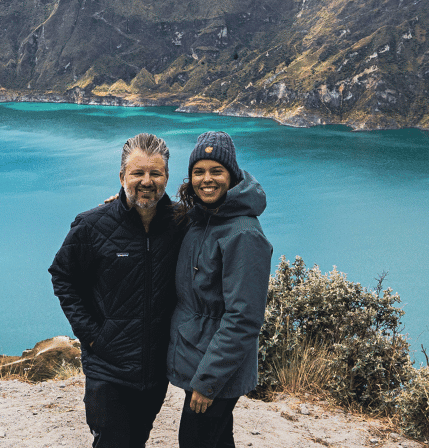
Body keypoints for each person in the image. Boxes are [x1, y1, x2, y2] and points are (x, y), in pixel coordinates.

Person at [49, 133, 185, 448]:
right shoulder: (92, 225)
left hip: (155, 369)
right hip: (107, 367)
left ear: (166, 177)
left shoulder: (182, 223)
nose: (147, 181)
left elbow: (222, 211)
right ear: (122, 176)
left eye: (155, 173)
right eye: (138, 173)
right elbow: (63, 276)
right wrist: (92, 335)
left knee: (136, 440)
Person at [169, 131, 272, 448]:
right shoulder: (205, 217)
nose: (206, 179)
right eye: (198, 171)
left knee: (194, 441)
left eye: (217, 171)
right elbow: (166, 215)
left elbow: (243, 318)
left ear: (232, 175)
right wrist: (124, 204)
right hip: (199, 355)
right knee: (217, 439)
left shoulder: (243, 234)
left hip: (215, 368)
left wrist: (208, 381)